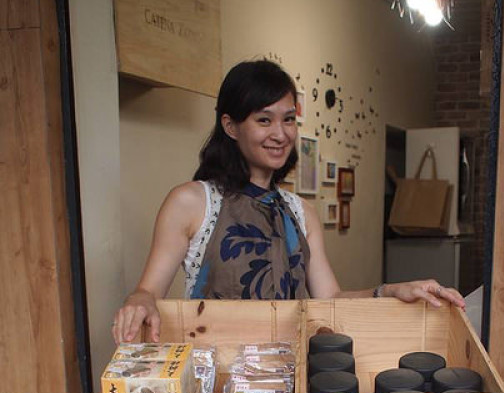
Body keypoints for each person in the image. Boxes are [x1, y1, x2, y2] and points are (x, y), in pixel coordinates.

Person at [112, 59, 464, 344]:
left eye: (288, 120)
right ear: (231, 126)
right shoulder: (192, 201)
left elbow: (330, 300)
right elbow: (148, 290)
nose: (280, 134)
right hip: (219, 377)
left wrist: (392, 290)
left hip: (290, 373)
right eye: (264, 120)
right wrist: (139, 301)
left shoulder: (301, 212)